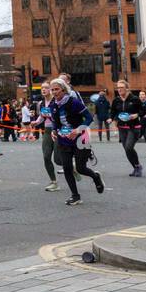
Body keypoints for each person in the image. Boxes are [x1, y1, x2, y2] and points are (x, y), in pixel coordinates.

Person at [47, 78, 104, 206]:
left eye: (57, 89)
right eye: (53, 90)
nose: (54, 92)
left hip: (80, 138)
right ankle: (75, 196)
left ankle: (95, 177)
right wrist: (54, 131)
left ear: (63, 89)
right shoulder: (53, 105)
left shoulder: (74, 102)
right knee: (67, 168)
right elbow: (55, 122)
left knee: (81, 168)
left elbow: (89, 118)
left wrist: (78, 130)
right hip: (63, 140)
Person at [110, 80, 145, 177]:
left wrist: (136, 115)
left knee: (129, 147)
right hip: (122, 128)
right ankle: (136, 167)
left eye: (121, 87)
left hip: (133, 127)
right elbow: (113, 111)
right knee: (127, 149)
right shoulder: (116, 100)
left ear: (127, 88)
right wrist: (111, 119)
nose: (119, 89)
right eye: (118, 87)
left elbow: (143, 111)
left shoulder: (134, 99)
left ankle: (137, 166)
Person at [33, 82, 60, 191]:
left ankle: (72, 167)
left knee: (58, 160)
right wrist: (36, 122)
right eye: (42, 88)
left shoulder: (57, 101)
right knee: (46, 156)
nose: (43, 90)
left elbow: (59, 116)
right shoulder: (41, 103)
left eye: (46, 88)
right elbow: (42, 116)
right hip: (47, 131)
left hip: (57, 131)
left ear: (51, 89)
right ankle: (54, 182)